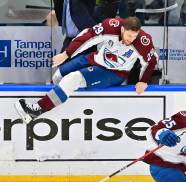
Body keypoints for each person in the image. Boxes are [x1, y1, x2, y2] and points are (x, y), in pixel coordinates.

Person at [15, 17, 157, 123]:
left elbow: (151, 61)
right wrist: (66, 54)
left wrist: (143, 81)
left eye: (134, 36)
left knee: (72, 79)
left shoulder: (143, 41)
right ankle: (63, 107)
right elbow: (87, 37)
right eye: (128, 36)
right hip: (95, 59)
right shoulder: (111, 26)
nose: (131, 39)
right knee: (59, 75)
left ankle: (37, 110)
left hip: (115, 73)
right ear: (121, 29)